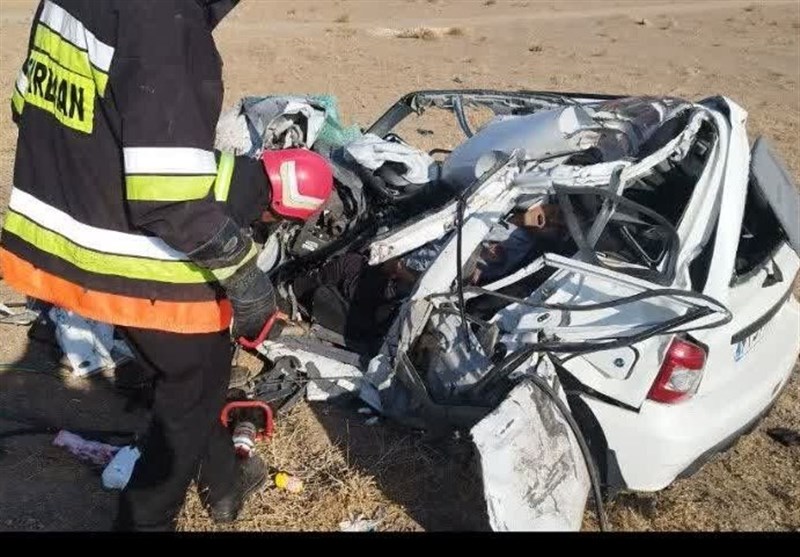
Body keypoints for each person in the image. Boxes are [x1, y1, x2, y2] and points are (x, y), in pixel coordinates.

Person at [1, 0, 332, 531]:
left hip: (62, 218)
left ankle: (223, 477)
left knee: (192, 372)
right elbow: (171, 200)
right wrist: (245, 276)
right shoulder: (166, 24)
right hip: (119, 246)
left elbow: (32, 101)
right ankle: (148, 519)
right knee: (194, 377)